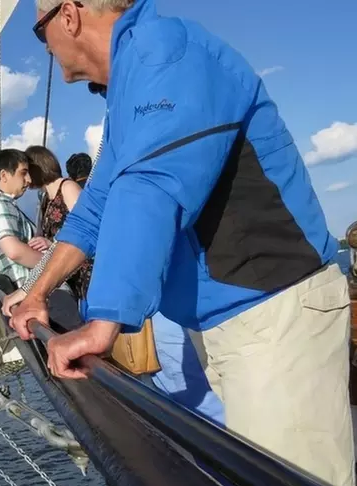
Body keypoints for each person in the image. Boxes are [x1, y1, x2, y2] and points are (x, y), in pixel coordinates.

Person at [8, 0, 356, 486]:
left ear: (68, 16)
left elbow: (151, 186)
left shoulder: (166, 56)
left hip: (273, 312)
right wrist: (38, 290)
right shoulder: (131, 84)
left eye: (40, 34)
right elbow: (98, 205)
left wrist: (102, 324)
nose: (44, 48)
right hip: (228, 322)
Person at [22, 145, 224, 425]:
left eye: (25, 169)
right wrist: (33, 290)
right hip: (91, 293)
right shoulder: (44, 200)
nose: (24, 178)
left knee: (175, 368)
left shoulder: (69, 188)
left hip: (112, 287)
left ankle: (212, 438)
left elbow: (91, 229)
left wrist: (33, 291)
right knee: (157, 372)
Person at [0, 149, 51, 287]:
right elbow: (14, 251)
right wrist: (56, 263)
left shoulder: (6, 205)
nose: (29, 180)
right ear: (4, 175)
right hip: (32, 293)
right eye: (23, 173)